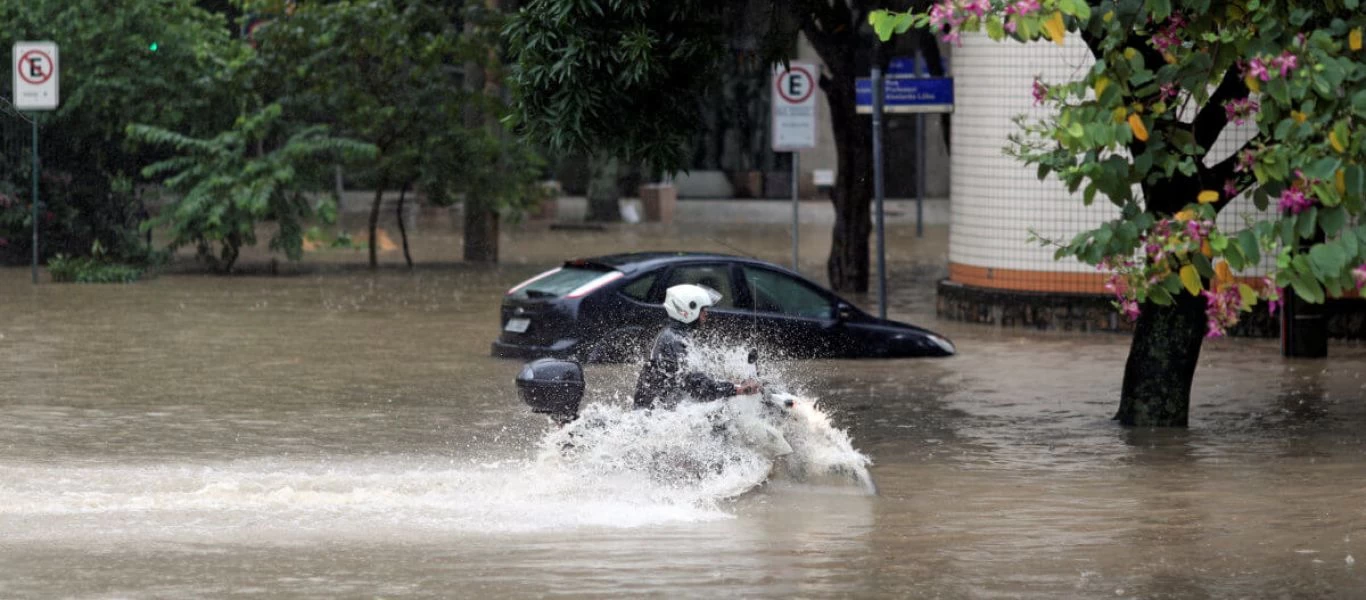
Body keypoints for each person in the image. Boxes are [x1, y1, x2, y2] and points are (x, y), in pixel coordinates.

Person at [632, 284, 761, 409]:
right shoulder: (673, 341)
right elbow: (699, 389)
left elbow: (696, 377)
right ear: (688, 310)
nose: (706, 314)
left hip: (662, 410)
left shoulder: (676, 335)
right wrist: (737, 389)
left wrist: (731, 383)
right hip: (657, 417)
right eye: (703, 309)